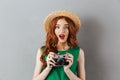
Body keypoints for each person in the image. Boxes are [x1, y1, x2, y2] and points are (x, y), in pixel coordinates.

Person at [32, 10, 86, 80]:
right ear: (53, 30)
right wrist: (48, 68)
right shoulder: (43, 51)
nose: (62, 31)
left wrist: (67, 70)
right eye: (57, 27)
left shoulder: (78, 52)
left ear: (70, 30)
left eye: (66, 27)